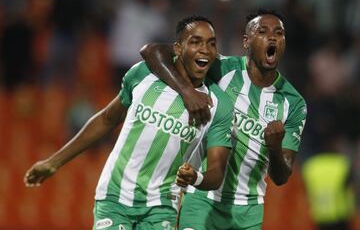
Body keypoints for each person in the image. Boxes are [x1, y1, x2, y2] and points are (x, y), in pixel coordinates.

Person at [24, 15, 234, 230]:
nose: (205, 49)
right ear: (178, 48)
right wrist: (53, 162)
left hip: (162, 204)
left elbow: (217, 172)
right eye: (196, 42)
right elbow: (107, 118)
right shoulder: (143, 74)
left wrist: (196, 177)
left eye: (211, 43)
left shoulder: (219, 104)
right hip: (115, 194)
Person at [140, 9, 308, 230]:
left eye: (279, 33)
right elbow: (152, 51)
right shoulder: (221, 69)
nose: (272, 37)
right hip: (202, 198)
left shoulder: (294, 103)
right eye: (263, 31)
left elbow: (281, 177)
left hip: (248, 212)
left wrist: (274, 147)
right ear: (246, 41)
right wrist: (187, 92)